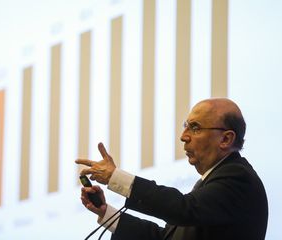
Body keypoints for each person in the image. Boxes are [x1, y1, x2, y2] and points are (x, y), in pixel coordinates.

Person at [75, 98, 268, 240]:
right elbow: (164, 237)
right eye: (186, 126)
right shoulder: (209, 184)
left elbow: (184, 209)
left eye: (195, 127)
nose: (183, 136)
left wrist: (116, 178)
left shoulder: (238, 177)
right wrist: (105, 212)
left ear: (226, 139)